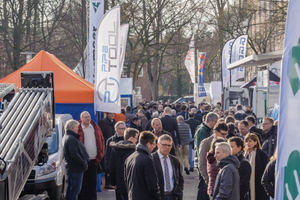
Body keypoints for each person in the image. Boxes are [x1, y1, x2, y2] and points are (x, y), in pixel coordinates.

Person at [124, 131, 161, 200]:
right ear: (148, 144)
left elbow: (126, 181)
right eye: (154, 144)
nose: (154, 146)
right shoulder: (147, 160)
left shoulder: (129, 158)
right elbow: (152, 185)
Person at [77, 111, 105, 200]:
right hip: (82, 161)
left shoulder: (95, 127)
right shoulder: (77, 128)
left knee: (92, 183)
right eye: (85, 117)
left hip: (94, 160)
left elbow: (102, 141)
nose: (88, 118)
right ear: (81, 119)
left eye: (89, 116)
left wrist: (100, 155)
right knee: (83, 183)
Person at [198, 122, 228, 200]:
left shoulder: (226, 142)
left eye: (226, 134)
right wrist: (208, 180)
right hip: (209, 180)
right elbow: (201, 163)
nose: (225, 136)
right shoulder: (206, 142)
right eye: (223, 134)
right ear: (215, 132)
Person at [110, 128, 139, 200]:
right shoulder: (134, 150)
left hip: (119, 181)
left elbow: (112, 166)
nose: (136, 140)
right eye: (136, 138)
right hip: (131, 182)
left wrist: (113, 182)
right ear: (131, 138)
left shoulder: (115, 149)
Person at [63, 120, 89, 200]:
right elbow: (74, 154)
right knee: (75, 190)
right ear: (73, 127)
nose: (77, 129)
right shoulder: (71, 138)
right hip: (75, 168)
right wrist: (83, 162)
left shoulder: (68, 137)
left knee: (71, 189)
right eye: (77, 127)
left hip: (72, 168)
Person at [152, 134, 184, 200]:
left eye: (169, 145)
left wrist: (179, 190)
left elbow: (180, 178)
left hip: (173, 195)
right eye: (164, 145)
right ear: (158, 145)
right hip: (158, 196)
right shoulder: (151, 159)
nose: (167, 147)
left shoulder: (174, 160)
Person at [244, 133, 269, 200]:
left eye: (250, 141)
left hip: (258, 185)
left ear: (255, 142)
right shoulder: (245, 155)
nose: (248, 143)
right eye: (246, 141)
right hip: (247, 184)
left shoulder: (261, 154)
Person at [104, 121, 126, 189]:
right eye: (122, 128)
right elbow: (107, 155)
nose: (124, 130)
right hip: (115, 168)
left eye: (125, 128)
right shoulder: (111, 140)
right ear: (117, 129)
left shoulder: (127, 140)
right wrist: (107, 168)